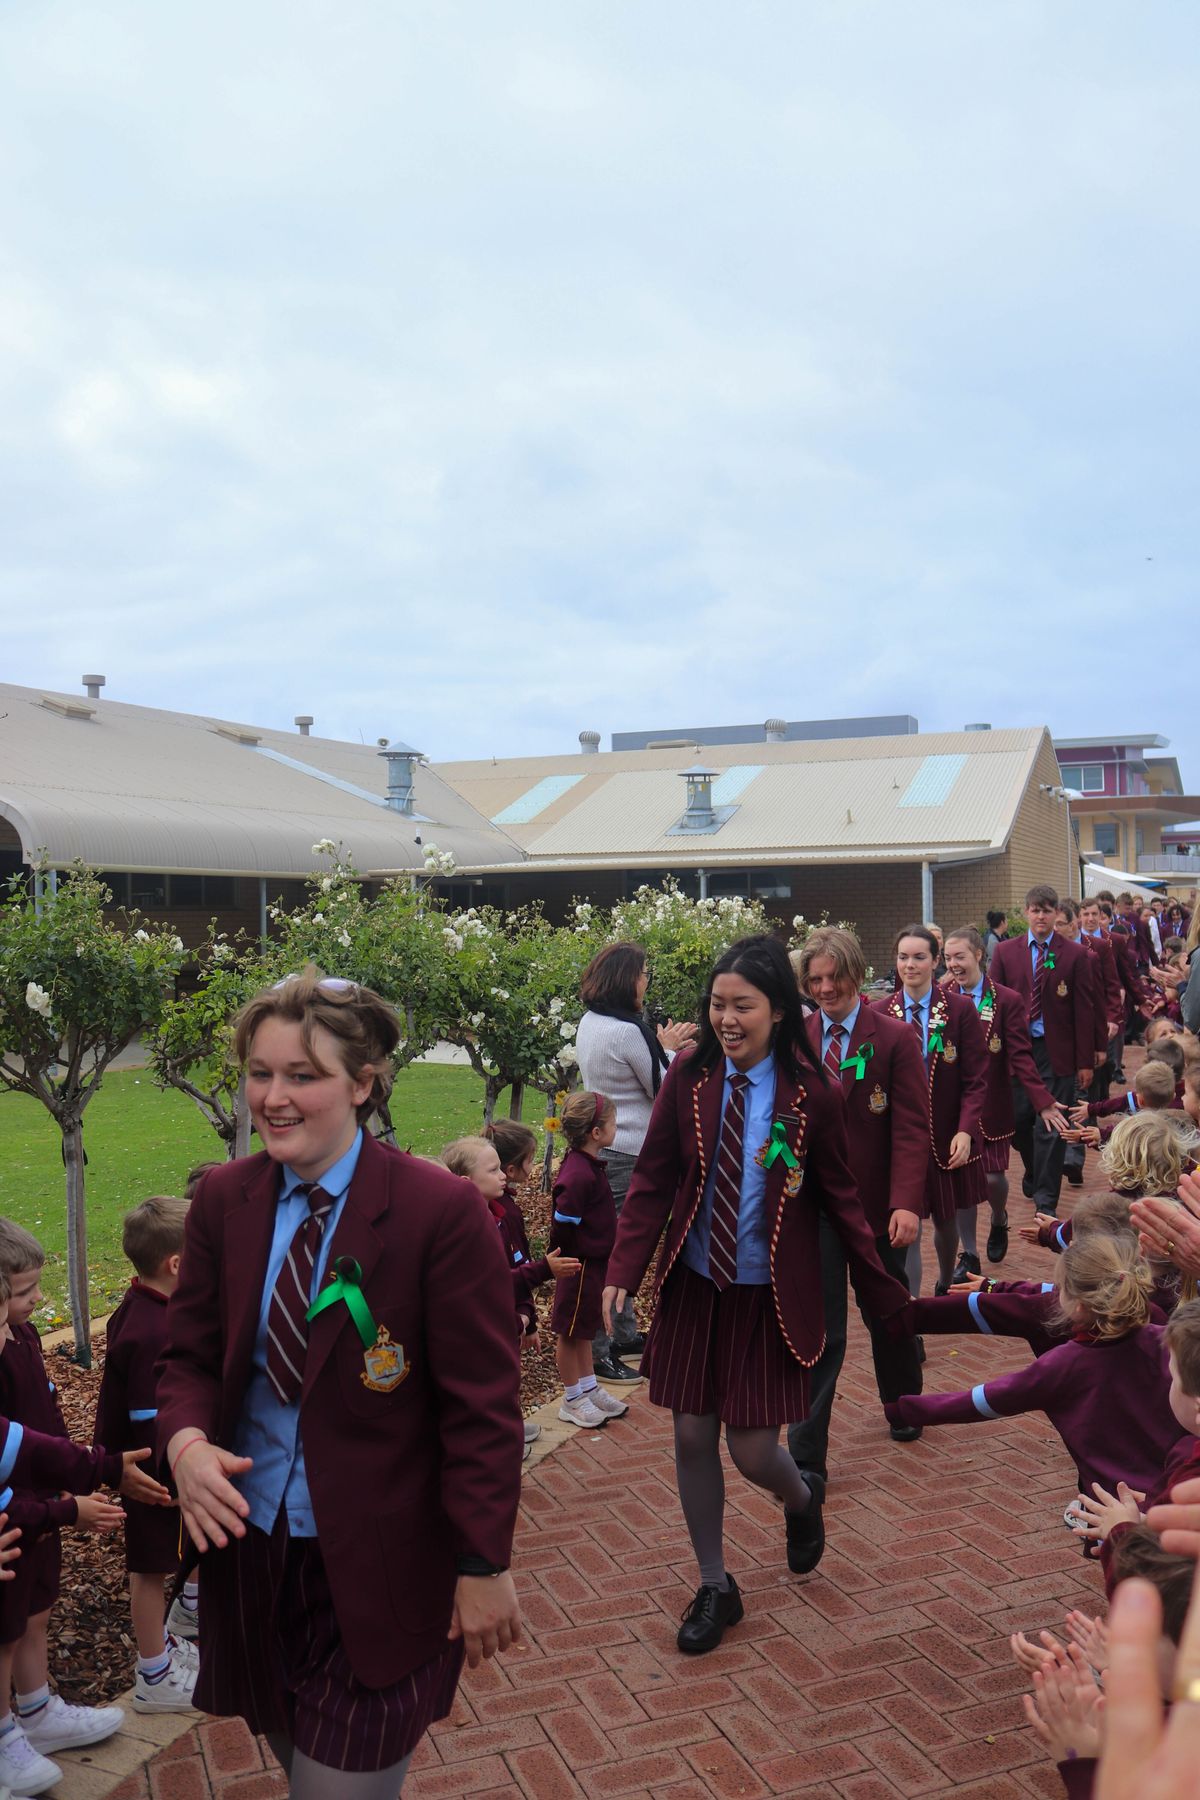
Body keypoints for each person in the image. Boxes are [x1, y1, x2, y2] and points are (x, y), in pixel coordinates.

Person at [156, 970, 524, 1800]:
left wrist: (482, 1561)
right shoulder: (224, 1200)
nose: (273, 1098)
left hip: (384, 1568)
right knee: (302, 1764)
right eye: (260, 1073)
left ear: (363, 1083)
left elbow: (481, 1408)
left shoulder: (438, 1211)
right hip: (254, 1554)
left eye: (303, 1075)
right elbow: (187, 1359)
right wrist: (185, 1445)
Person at [602, 935, 912, 1655]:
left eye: (742, 1005)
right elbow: (653, 1179)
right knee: (689, 1435)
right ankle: (715, 1584)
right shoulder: (690, 1078)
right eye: (717, 1004)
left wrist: (883, 1290)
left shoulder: (813, 1094)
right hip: (696, 1285)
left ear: (778, 1010)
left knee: (751, 1451)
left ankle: (802, 1499)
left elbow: (840, 1199)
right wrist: (623, 1266)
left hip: (765, 1295)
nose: (726, 1019)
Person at [884, 1232, 1186, 1505]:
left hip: (1113, 1507)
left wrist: (903, 1409)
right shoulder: (1168, 1336)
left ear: (1077, 1305)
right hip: (1181, 1490)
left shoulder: (1062, 1366)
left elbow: (986, 1400)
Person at [0, 1220, 137, 1797]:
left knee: (34, 1607)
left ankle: (35, 1712)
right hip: (15, 1506)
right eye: (23, 1291)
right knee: (5, 1627)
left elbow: (42, 1424)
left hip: (36, 1494)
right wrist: (79, 1484)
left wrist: (67, 1477)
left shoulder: (20, 1334)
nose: (36, 1300)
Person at [786, 926, 927, 1481]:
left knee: (888, 1312)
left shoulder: (894, 1038)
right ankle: (806, 1455)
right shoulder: (795, 1039)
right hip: (816, 1210)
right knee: (823, 1331)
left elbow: (911, 1127)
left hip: (878, 1210)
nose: (825, 989)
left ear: (855, 974)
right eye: (815, 980)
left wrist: (906, 1202)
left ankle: (903, 1402)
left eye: (834, 978)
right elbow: (784, 1119)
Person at [93, 1196, 199, 1713]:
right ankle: (153, 1674)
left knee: (166, 1559)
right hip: (151, 1475)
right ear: (176, 1265)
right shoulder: (155, 1330)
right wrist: (173, 1477)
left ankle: (170, 1639)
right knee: (151, 1569)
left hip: (147, 1468)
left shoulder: (140, 1307)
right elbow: (150, 1415)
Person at [576, 941, 695, 1382]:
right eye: (644, 973)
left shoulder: (591, 1021)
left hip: (609, 1147)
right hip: (629, 1152)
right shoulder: (628, 1031)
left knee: (613, 1243)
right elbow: (663, 1089)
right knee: (613, 1251)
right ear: (627, 979)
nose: (647, 981)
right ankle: (600, 1350)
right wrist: (674, 1052)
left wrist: (660, 1047)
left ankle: (623, 1334)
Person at [942, 924, 1067, 1273]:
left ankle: (999, 1217)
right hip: (953, 1108)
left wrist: (1042, 1101)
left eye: (959, 956)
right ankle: (969, 1253)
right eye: (948, 958)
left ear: (979, 955)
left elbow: (1021, 1055)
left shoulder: (1006, 1000)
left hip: (993, 1104)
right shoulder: (941, 997)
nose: (953, 964)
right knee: (962, 1183)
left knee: (992, 1179)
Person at [875, 924, 988, 1295]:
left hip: (946, 1133)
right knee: (906, 1222)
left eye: (919, 957)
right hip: (899, 1137)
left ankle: (944, 1281)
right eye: (903, 957)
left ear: (935, 961)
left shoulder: (960, 1010)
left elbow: (975, 1079)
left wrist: (966, 1129)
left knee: (945, 1218)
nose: (910, 965)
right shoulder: (880, 1013)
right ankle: (911, 1304)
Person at [440, 1133, 567, 1459]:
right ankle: (495, 1443)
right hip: (482, 1330)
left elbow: (515, 1263)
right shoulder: (463, 1231)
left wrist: (525, 1315)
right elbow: (489, 1285)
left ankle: (506, 1430)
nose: (502, 1176)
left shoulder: (500, 1215)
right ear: (466, 1183)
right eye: (493, 1170)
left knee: (505, 1381)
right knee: (484, 1388)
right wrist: (544, 1270)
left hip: (506, 1322)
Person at [988, 884, 1096, 1217]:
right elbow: (992, 1002)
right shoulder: (1005, 952)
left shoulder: (1074, 954)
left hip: (1056, 1050)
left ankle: (1046, 1201)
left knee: (1052, 1123)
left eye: (1047, 911)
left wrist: (1085, 1060)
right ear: (1026, 913)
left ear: (1056, 914)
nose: (1041, 916)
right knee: (1020, 1120)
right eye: (1035, 910)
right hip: (1016, 1050)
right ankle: (1034, 1169)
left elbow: (1084, 1008)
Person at [546, 1092, 626, 1429]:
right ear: (596, 1132)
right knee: (570, 1332)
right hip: (577, 1266)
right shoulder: (579, 1173)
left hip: (591, 1265)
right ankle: (572, 1398)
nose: (616, 1128)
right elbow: (564, 1222)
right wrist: (565, 1259)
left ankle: (588, 1387)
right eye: (613, 1123)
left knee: (584, 1328)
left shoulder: (588, 1165)